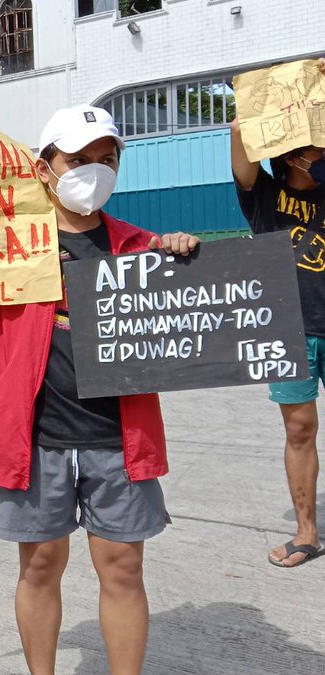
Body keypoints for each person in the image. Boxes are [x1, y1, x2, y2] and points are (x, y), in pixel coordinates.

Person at [0, 107, 199, 675]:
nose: (95, 171)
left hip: (118, 438)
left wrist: (181, 259)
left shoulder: (142, 250)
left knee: (123, 570)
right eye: (79, 159)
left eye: (107, 160)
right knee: (38, 568)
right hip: (34, 439)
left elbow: (185, 322)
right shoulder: (0, 247)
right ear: (44, 168)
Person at [231, 56, 325, 569]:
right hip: (289, 331)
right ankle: (306, 532)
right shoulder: (263, 196)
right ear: (289, 151)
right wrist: (277, 86)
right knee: (299, 430)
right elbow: (240, 129)